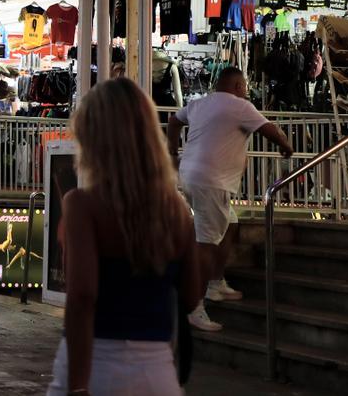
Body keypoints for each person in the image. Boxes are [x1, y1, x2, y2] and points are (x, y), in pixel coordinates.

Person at [47, 78, 203, 396]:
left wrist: (77, 386)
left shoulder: (82, 205)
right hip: (158, 371)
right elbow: (190, 297)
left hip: (95, 364)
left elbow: (81, 297)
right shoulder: (176, 211)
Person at [167, 67, 293, 332]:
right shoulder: (240, 106)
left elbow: (173, 120)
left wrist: (172, 154)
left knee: (231, 224)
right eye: (244, 85)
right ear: (238, 86)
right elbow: (271, 131)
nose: (246, 90)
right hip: (212, 183)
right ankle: (194, 308)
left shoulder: (199, 104)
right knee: (206, 245)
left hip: (192, 177)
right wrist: (286, 147)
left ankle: (216, 282)